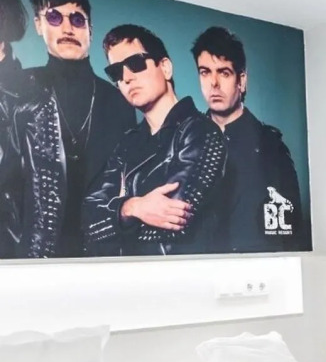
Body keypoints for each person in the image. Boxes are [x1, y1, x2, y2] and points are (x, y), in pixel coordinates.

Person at [83, 24, 226, 256]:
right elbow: (88, 223)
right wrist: (134, 207)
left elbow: (173, 223)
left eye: (136, 63)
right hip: (129, 276)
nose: (126, 78)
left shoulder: (201, 132)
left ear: (165, 67)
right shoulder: (126, 145)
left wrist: (116, 218)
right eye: (116, 72)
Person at [25, 0, 136, 257]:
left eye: (77, 19)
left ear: (90, 30)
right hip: (30, 255)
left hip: (101, 254)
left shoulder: (119, 101)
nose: (67, 28)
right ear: (38, 25)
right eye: (54, 17)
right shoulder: (20, 91)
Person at [190, 26, 306, 253]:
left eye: (224, 72)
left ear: (241, 80)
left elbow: (291, 232)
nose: (214, 83)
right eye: (205, 72)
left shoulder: (270, 146)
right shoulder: (186, 142)